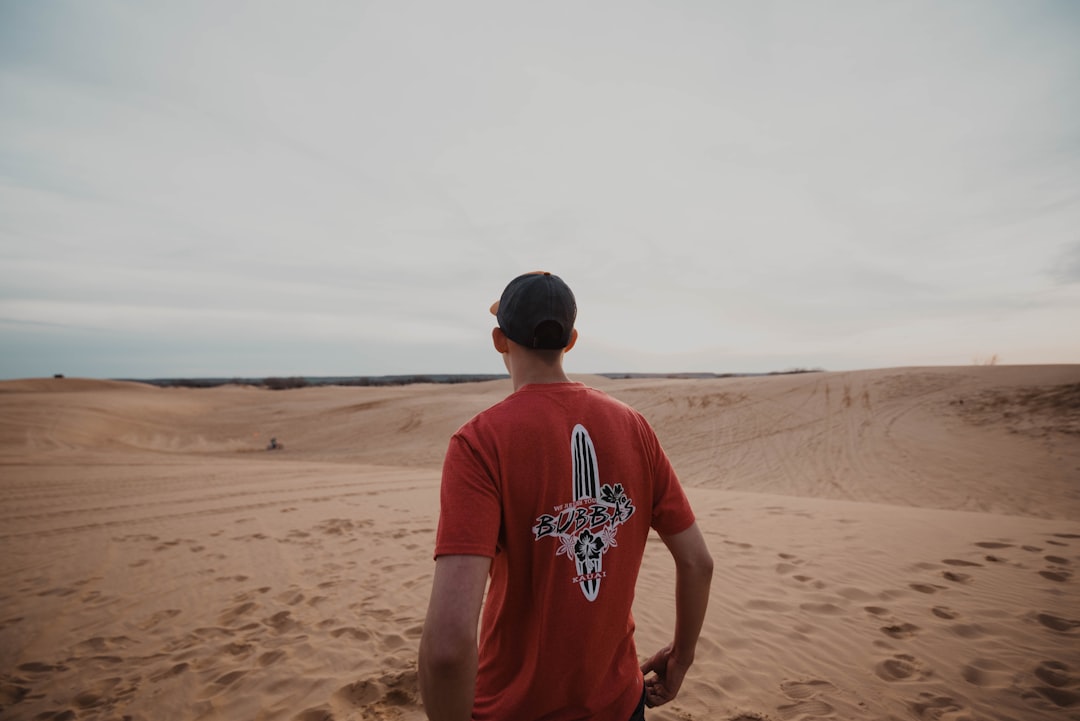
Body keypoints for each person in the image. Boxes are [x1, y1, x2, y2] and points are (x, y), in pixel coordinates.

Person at [419, 271, 713, 721]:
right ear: (570, 340)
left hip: (512, 709)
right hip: (619, 704)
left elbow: (447, 647)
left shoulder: (480, 443)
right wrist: (681, 657)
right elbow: (698, 562)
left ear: (500, 340)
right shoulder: (634, 428)